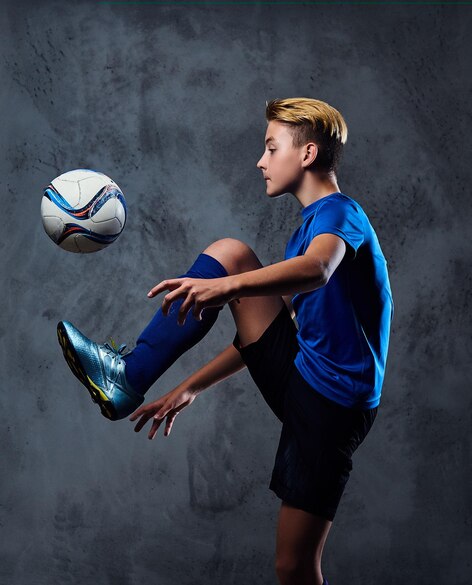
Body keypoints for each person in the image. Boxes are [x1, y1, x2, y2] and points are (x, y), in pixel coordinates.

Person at [57, 96, 394, 585]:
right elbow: (273, 336)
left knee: (294, 567)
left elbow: (319, 270)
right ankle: (128, 377)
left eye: (271, 147)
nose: (260, 161)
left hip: (333, 407)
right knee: (231, 253)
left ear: (306, 155)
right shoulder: (304, 231)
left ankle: (131, 373)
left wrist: (226, 287)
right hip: (306, 376)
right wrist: (190, 386)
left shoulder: (341, 215)